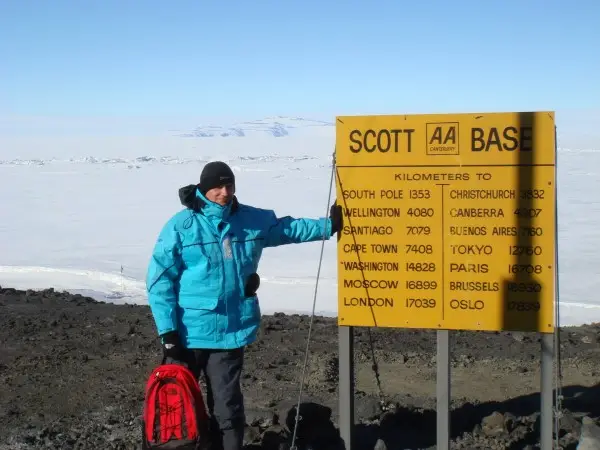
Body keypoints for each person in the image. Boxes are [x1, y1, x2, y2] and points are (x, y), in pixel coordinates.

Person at [145, 161, 342, 450]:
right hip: (186, 336)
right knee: (176, 406)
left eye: (229, 185)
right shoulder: (182, 226)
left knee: (228, 410)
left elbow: (288, 229)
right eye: (217, 187)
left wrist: (329, 225)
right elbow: (159, 280)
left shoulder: (251, 220)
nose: (225, 192)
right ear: (203, 188)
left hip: (229, 334)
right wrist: (168, 332)